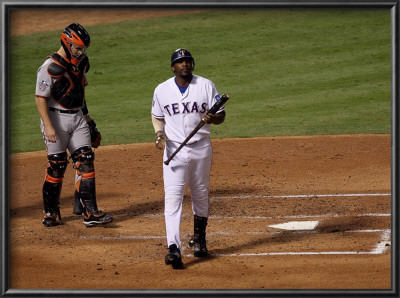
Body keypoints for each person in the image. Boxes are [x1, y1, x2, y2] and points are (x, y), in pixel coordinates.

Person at [151, 48, 226, 269]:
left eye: (188, 61)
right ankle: (173, 248)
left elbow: (221, 115)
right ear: (173, 67)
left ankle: (200, 239)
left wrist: (213, 117)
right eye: (180, 62)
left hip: (201, 148)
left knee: (200, 193)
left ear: (192, 64)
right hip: (174, 150)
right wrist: (158, 133)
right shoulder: (162, 90)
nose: (184, 64)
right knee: (173, 198)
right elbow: (157, 117)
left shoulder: (205, 85)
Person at [35, 23, 113, 227]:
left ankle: (90, 213)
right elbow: (40, 98)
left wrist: (88, 120)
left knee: (85, 160)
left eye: (83, 49)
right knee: (57, 165)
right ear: (67, 42)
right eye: (77, 48)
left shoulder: (82, 63)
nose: (81, 52)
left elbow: (79, 92)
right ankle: (50, 212)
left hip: (77, 117)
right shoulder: (49, 67)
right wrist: (48, 126)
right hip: (55, 119)